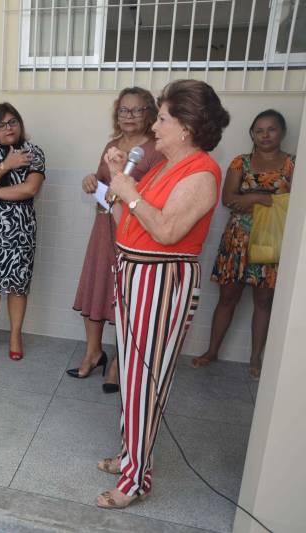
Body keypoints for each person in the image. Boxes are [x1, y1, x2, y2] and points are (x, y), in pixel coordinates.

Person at [96, 79, 230, 509]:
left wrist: (129, 192)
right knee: (133, 378)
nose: (155, 125)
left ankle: (136, 479)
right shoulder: (163, 166)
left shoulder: (203, 172)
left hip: (161, 281)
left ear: (187, 127)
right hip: (136, 274)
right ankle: (130, 456)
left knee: (144, 382)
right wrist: (119, 179)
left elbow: (168, 231)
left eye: (165, 117)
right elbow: (128, 223)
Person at [66, 88, 164, 392]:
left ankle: (121, 361)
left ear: (150, 113)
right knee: (97, 286)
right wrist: (90, 181)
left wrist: (123, 191)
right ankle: (93, 352)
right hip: (104, 226)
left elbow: (155, 195)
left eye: (137, 110)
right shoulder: (112, 145)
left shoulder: (157, 149)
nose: (129, 116)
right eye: (124, 110)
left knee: (126, 297)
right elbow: (101, 182)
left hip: (135, 232)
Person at [192, 110, 294, 379]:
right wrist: (262, 198)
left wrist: (247, 199)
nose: (265, 135)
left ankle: (255, 357)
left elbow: (295, 204)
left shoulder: (294, 165)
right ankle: (212, 351)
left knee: (264, 300)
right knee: (227, 298)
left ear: (281, 132)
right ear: (252, 134)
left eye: (271, 129)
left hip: (271, 239)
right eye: (259, 130)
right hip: (237, 239)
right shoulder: (240, 162)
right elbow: (228, 199)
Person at [0, 103, 45, 361]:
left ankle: (15, 335)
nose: (9, 128)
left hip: (20, 229)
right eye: (2, 124)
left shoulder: (33, 152)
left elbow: (29, 189)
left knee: (17, 285)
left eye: (13, 122)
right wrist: (7, 165)